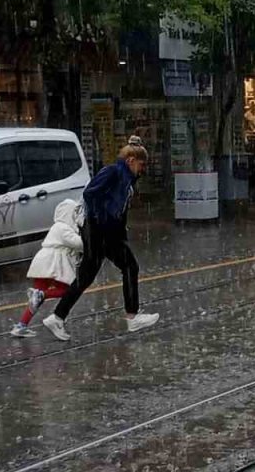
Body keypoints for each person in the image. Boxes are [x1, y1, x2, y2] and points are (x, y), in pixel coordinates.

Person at [42, 145, 159, 341]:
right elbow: (90, 194)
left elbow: (118, 208)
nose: (143, 169)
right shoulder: (113, 172)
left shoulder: (126, 178)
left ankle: (57, 316)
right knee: (129, 266)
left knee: (86, 276)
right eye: (141, 164)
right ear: (130, 160)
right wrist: (102, 219)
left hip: (103, 231)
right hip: (100, 231)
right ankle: (132, 316)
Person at [12, 199, 85, 338]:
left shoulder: (58, 226)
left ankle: (21, 325)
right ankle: (43, 295)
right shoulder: (63, 228)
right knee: (67, 290)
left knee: (35, 299)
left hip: (43, 263)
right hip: (53, 264)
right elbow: (78, 244)